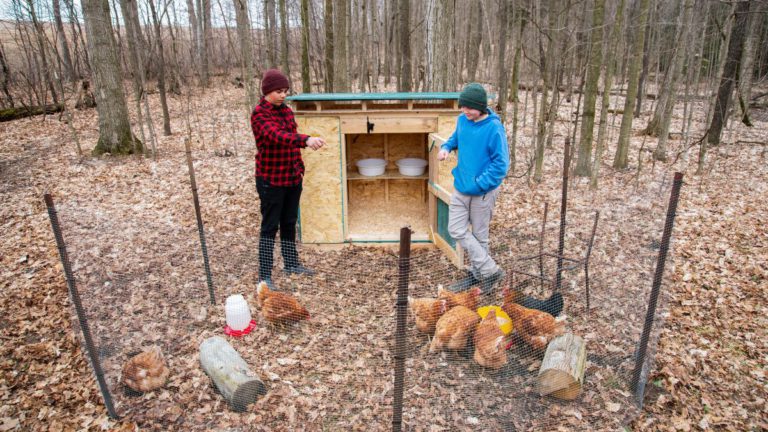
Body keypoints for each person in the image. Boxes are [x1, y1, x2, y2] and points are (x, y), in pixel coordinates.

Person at [250, 69, 326, 288]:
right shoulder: (260, 114)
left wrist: (299, 168)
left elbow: (290, 138)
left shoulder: (287, 111)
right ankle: (264, 274)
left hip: (292, 177)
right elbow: (277, 136)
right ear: (267, 91)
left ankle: (291, 263)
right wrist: (306, 139)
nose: (283, 95)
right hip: (271, 179)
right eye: (278, 91)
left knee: (290, 222)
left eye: (285, 91)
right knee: (270, 226)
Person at [438, 83, 510, 294]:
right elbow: (455, 138)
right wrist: (446, 147)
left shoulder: (494, 128)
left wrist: (480, 183)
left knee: (480, 236)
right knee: (456, 229)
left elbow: (501, 165)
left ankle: (480, 276)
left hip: (483, 192)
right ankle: (490, 271)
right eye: (462, 107)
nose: (464, 111)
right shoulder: (463, 121)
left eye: (468, 108)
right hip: (461, 187)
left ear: (480, 107)